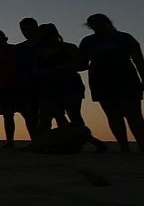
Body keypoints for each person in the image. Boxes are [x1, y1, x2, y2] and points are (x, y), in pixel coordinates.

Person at [33, 23, 106, 152]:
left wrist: (59, 68)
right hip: (47, 87)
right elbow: (35, 70)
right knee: (46, 117)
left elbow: (82, 65)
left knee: (74, 116)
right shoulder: (39, 52)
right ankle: (40, 144)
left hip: (69, 85)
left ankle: (81, 143)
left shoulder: (68, 48)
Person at [78, 14, 144, 152]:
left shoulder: (125, 38)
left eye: (101, 25)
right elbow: (82, 63)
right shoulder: (88, 41)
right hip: (101, 81)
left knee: (134, 114)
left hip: (127, 79)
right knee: (113, 114)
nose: (99, 29)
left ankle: (142, 146)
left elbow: (139, 60)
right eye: (95, 26)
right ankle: (124, 147)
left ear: (108, 23)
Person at [0, 30, 34, 148]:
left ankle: (35, 139)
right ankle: (10, 141)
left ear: (5, 38)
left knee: (27, 113)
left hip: (19, 87)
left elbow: (25, 66)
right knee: (7, 115)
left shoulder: (16, 50)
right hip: (2, 88)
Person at [15, 17, 41, 128]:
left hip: (46, 84)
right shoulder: (19, 48)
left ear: (36, 28)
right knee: (29, 114)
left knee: (53, 114)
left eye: (29, 29)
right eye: (23, 30)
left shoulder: (45, 45)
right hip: (26, 85)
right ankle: (36, 141)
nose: (26, 33)